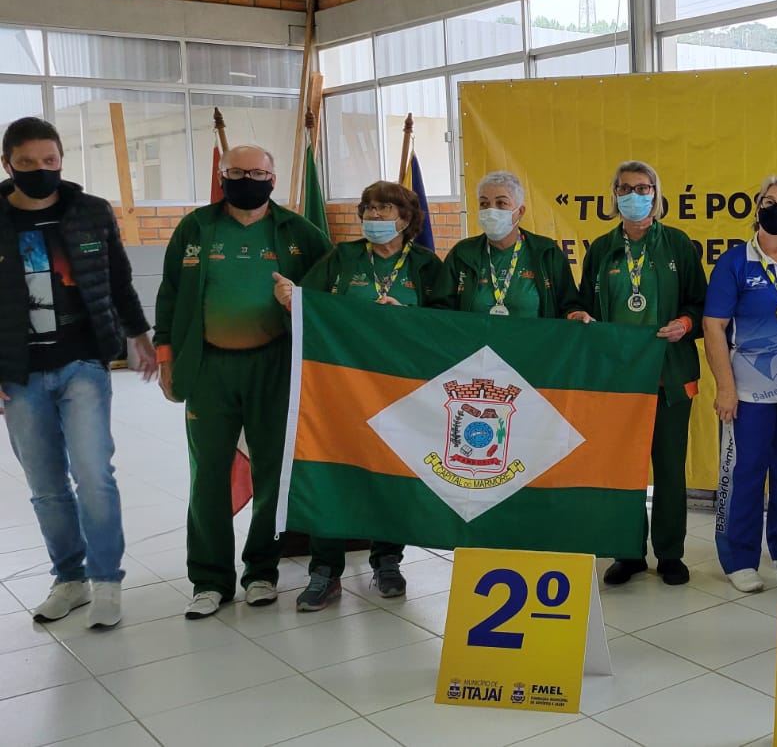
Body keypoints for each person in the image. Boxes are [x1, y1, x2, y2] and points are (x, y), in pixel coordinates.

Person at [155, 145, 332, 619]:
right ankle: (210, 580)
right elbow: (170, 294)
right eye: (237, 172)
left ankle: (261, 573)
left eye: (258, 172)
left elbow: (330, 292)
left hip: (275, 366)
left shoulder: (299, 231)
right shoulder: (196, 227)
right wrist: (166, 357)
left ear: (273, 178)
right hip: (209, 366)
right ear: (222, 175)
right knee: (208, 473)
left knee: (272, 471)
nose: (248, 179)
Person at [0, 117, 157, 630]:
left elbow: (118, 278)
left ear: (61, 160)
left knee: (93, 474)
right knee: (45, 484)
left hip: (83, 363)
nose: (40, 170)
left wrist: (140, 335)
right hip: (20, 372)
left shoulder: (90, 212)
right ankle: (69, 579)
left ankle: (106, 580)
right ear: (8, 165)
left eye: (49, 161)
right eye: (27, 163)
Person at [272, 181, 444, 611]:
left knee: (392, 474)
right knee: (333, 473)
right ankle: (325, 570)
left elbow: (448, 324)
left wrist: (408, 319)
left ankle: (387, 560)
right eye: (367, 208)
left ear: (405, 219)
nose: (373, 217)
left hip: (401, 390)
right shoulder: (342, 258)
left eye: (384, 209)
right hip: (341, 389)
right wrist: (291, 299)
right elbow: (310, 305)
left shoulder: (426, 264)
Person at [577, 161, 706, 587]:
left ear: (656, 193)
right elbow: (584, 308)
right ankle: (628, 553)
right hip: (618, 381)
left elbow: (699, 305)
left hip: (669, 377)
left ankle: (670, 553)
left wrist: (685, 324)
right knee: (624, 468)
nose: (634, 194)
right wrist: (579, 317)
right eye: (625, 188)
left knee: (669, 469)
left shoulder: (678, 244)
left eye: (643, 187)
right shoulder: (599, 249)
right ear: (613, 195)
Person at [703, 176, 777, 593]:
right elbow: (713, 326)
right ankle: (739, 557)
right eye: (768, 202)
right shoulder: (734, 262)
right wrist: (725, 388)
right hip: (747, 392)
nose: (776, 209)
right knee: (744, 473)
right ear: (756, 208)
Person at [437, 171, 581, 318]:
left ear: (520, 211)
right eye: (484, 204)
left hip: (534, 340)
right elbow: (440, 310)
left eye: (501, 203)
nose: (491, 211)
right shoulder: (462, 253)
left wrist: (575, 315)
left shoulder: (546, 252)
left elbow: (569, 305)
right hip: (476, 341)